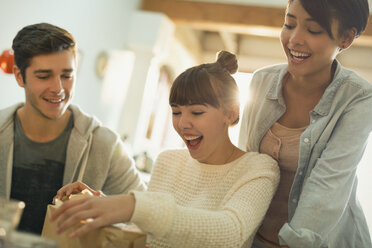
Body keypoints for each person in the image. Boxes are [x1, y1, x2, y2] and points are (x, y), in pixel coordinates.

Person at [51, 51, 280, 248]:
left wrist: (131, 206)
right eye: (176, 112)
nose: (182, 123)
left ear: (230, 112)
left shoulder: (258, 169)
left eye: (197, 112)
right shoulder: (169, 161)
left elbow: (230, 233)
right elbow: (145, 230)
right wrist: (102, 204)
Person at [238, 0, 372, 247]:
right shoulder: (260, 81)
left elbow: (329, 183)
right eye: (289, 24)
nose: (294, 39)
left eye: (313, 30)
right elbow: (245, 164)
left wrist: (295, 242)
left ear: (346, 38)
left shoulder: (359, 98)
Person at [0, 23, 145, 234]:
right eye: (44, 76)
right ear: (19, 76)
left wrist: (105, 205)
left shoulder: (105, 144)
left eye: (67, 75)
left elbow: (147, 218)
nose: (58, 88)